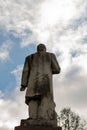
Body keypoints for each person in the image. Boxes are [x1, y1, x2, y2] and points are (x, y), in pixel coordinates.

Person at [20, 43, 60, 125]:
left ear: (37, 49)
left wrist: (23, 85)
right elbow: (57, 69)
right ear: (45, 49)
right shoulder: (50, 56)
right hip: (45, 82)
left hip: (32, 84)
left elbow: (25, 71)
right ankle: (44, 117)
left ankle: (32, 117)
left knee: (33, 100)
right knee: (45, 99)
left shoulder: (29, 58)